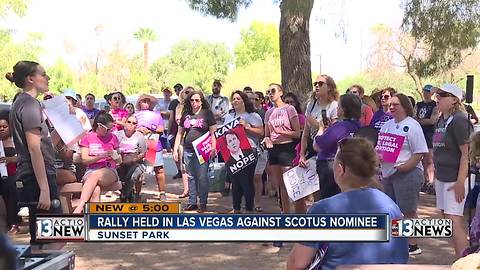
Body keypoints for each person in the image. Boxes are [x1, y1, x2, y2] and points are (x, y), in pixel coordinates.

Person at [287, 137, 408, 270]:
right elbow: (401, 258)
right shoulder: (392, 208)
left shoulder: (322, 210)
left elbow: (296, 264)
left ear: (341, 169)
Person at [6, 60, 61, 244]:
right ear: (30, 78)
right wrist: (44, 189)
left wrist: (66, 123)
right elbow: (34, 148)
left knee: (45, 239)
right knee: (51, 240)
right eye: (43, 74)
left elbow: (44, 144)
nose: (48, 78)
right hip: (38, 177)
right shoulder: (29, 104)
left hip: (37, 175)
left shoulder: (24, 103)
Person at [379, 93, 428, 255]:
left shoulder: (413, 125)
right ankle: (394, 242)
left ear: (405, 106)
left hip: (408, 174)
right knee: (391, 209)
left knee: (408, 211)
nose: (391, 107)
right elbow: (381, 148)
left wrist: (407, 166)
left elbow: (419, 152)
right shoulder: (387, 125)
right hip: (388, 174)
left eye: (396, 104)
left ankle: (413, 245)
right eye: (390, 104)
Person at [433, 83, 473, 257]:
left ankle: (464, 263)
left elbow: (467, 154)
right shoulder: (441, 119)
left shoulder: (459, 120)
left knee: (454, 220)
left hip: (455, 178)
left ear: (455, 99)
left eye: (442, 95)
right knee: (447, 220)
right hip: (442, 177)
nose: (437, 98)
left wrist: (459, 182)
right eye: (437, 95)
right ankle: (459, 258)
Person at [263, 83, 301, 247]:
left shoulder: (289, 110)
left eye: (273, 91)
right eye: (268, 91)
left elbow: (297, 133)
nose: (270, 93)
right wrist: (267, 139)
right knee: (281, 188)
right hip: (274, 150)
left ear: (280, 93)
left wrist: (281, 132)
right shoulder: (269, 113)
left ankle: (300, 223)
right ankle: (285, 222)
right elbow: (266, 135)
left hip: (288, 148)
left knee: (292, 186)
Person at [305, 94, 362, 201]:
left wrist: (321, 129)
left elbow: (317, 146)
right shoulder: (358, 125)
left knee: (329, 199)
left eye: (339, 106)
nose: (337, 108)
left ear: (344, 109)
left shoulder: (340, 127)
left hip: (330, 166)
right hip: (350, 166)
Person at [173, 91, 217, 212]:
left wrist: (214, 147)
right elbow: (179, 133)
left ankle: (203, 202)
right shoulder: (186, 114)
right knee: (191, 177)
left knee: (202, 177)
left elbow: (214, 132)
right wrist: (176, 149)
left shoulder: (207, 113)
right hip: (188, 150)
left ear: (201, 101)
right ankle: (192, 202)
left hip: (203, 150)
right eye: (192, 100)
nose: (194, 102)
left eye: (197, 100)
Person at [73, 111, 122, 213]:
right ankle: (94, 220)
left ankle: (80, 205)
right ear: (99, 126)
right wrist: (100, 156)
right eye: (108, 129)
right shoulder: (87, 137)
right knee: (95, 191)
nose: (110, 131)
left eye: (112, 128)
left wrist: (115, 156)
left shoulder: (113, 137)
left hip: (108, 169)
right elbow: (85, 160)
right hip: (91, 169)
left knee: (96, 175)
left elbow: (120, 160)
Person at [223, 91, 263, 213]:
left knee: (247, 181)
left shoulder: (253, 116)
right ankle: (236, 208)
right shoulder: (229, 117)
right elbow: (223, 135)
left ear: (244, 101)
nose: (235, 101)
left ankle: (249, 209)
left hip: (250, 151)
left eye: (238, 98)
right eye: (233, 99)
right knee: (235, 182)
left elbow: (261, 133)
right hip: (233, 153)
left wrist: (247, 127)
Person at [299, 75, 339, 175]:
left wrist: (317, 125)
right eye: (315, 84)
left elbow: (334, 132)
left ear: (329, 87)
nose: (317, 86)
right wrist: (302, 155)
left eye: (321, 84)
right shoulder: (311, 104)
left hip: (325, 151)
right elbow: (305, 133)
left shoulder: (334, 105)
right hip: (311, 148)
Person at [135, 94, 167, 201]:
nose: (145, 103)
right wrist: (138, 129)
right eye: (143, 101)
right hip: (138, 145)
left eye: (147, 101)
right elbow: (129, 127)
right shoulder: (135, 115)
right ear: (139, 103)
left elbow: (161, 128)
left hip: (153, 143)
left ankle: (162, 193)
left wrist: (150, 129)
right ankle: (137, 193)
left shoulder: (156, 115)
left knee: (159, 169)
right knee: (138, 170)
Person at [115, 114, 146, 202]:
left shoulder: (139, 136)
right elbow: (114, 149)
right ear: (125, 123)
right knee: (118, 176)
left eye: (134, 123)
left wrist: (133, 159)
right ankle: (128, 193)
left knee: (132, 176)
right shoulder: (118, 134)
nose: (131, 124)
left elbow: (143, 153)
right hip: (120, 161)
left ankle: (125, 194)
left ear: (136, 126)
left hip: (136, 162)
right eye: (129, 122)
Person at [0, 110, 21, 234]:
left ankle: (14, 222)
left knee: (11, 188)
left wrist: (10, 159)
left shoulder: (16, 141)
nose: (2, 129)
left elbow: (23, 156)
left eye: (4, 126)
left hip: (14, 174)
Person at [415, 84, 438, 192]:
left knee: (429, 159)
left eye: (428, 91)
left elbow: (432, 120)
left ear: (432, 93)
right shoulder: (418, 104)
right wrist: (423, 121)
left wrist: (420, 121)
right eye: (424, 91)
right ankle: (424, 181)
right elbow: (414, 117)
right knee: (421, 158)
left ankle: (431, 182)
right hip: (419, 133)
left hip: (430, 134)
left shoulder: (435, 105)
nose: (425, 93)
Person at [168, 83, 183, 179]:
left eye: (179, 89)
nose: (178, 91)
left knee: (183, 150)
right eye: (176, 89)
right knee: (175, 150)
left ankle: (184, 170)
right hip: (175, 129)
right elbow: (171, 117)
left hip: (185, 129)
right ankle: (179, 170)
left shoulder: (188, 102)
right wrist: (169, 130)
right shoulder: (173, 103)